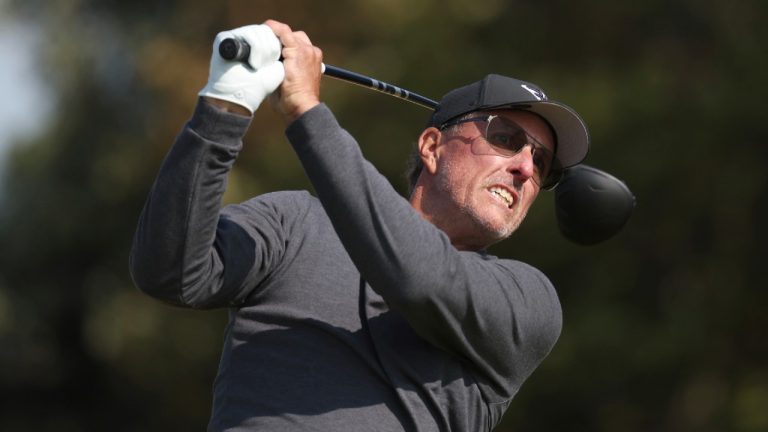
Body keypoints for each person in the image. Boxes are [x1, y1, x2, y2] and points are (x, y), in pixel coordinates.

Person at [130, 19, 589, 432]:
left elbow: (420, 276)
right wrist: (224, 106)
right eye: (505, 139)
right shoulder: (296, 222)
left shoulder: (528, 300)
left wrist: (307, 114)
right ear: (432, 147)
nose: (526, 169)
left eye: (542, 163)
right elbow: (171, 273)